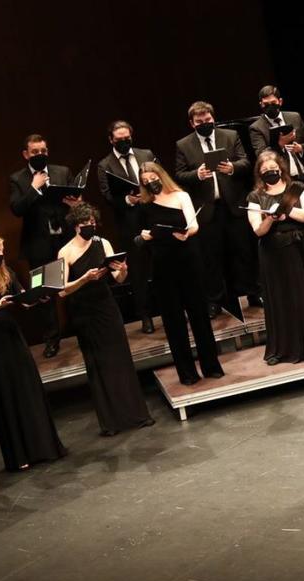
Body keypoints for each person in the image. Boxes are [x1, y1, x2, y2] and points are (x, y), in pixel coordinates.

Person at [0, 232, 67, 471]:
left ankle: (43, 446)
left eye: (2, 250)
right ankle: (20, 454)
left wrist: (39, 296)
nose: (0, 254)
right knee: (7, 393)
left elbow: (24, 299)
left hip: (12, 336)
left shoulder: (6, 272)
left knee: (27, 388)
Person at [57, 203, 153, 436]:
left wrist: (123, 270)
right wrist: (85, 279)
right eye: (85, 224)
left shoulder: (103, 243)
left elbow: (119, 278)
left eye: (93, 222)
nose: (90, 227)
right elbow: (61, 291)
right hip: (84, 311)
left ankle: (134, 414)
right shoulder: (65, 252)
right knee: (99, 363)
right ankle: (112, 421)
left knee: (119, 358)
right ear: (75, 226)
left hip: (106, 306)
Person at [134, 162, 224, 386]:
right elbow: (142, 235)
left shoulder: (180, 196)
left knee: (199, 314)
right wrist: (145, 236)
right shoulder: (144, 205)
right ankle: (187, 373)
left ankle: (211, 365)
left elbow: (193, 225)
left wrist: (185, 234)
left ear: (161, 176)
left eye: (153, 179)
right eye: (145, 182)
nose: (150, 183)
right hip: (163, 263)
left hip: (187, 258)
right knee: (173, 321)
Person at [249, 85, 304, 295]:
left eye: (273, 102)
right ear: (261, 104)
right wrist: (280, 144)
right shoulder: (257, 127)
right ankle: (301, 279)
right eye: (266, 104)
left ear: (280, 101)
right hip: (280, 185)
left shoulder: (294, 117)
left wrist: (300, 148)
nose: (270, 106)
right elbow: (262, 156)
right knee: (294, 232)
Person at [173, 100, 255, 318]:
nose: (205, 124)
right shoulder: (183, 145)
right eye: (200, 122)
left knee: (243, 252)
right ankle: (215, 301)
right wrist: (196, 175)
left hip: (233, 205)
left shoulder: (230, 136)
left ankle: (253, 293)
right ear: (192, 123)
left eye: (208, 120)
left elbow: (246, 162)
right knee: (211, 258)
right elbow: (179, 175)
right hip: (207, 209)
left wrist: (232, 168)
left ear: (213, 118)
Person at [246, 151, 304, 365]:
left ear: (281, 169)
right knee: (280, 299)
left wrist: (286, 213)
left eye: (273, 169)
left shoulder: (296, 189)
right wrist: (270, 219)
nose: (271, 173)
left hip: (298, 250)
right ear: (259, 175)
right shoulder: (255, 197)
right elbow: (258, 231)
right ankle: (283, 348)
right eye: (265, 172)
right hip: (273, 253)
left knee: (302, 294)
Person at [8, 133, 80, 358]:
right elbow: (16, 209)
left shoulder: (62, 171)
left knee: (74, 284)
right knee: (44, 294)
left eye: (43, 151)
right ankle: (52, 340)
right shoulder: (17, 179)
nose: (40, 155)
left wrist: (75, 202)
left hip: (66, 239)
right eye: (34, 152)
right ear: (25, 154)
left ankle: (81, 329)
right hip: (38, 244)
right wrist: (35, 188)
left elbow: (74, 200)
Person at [96, 120, 158, 333]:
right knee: (138, 272)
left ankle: (170, 309)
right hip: (129, 223)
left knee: (161, 266)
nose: (124, 142)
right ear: (111, 140)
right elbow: (106, 195)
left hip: (152, 217)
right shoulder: (105, 165)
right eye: (119, 139)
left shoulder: (146, 154)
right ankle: (145, 316)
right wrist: (128, 200)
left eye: (127, 138)